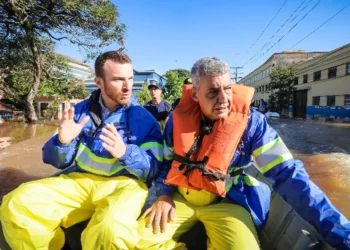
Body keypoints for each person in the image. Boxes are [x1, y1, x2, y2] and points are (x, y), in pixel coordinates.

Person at [136, 57, 350, 250]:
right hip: (179, 200)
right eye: (212, 92)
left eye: (227, 89)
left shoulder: (253, 123)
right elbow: (167, 161)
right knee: (130, 242)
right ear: (195, 93)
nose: (223, 99)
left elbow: (288, 175)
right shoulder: (177, 119)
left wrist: (341, 233)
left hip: (228, 203)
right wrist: (164, 194)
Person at [0, 51, 162, 250]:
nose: (128, 87)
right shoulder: (77, 112)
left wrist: (126, 153)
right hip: (79, 180)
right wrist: (62, 142)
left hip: (125, 185)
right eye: (118, 80)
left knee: (111, 228)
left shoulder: (146, 119)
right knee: (18, 203)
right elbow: (54, 160)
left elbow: (155, 169)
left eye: (130, 78)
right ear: (99, 82)